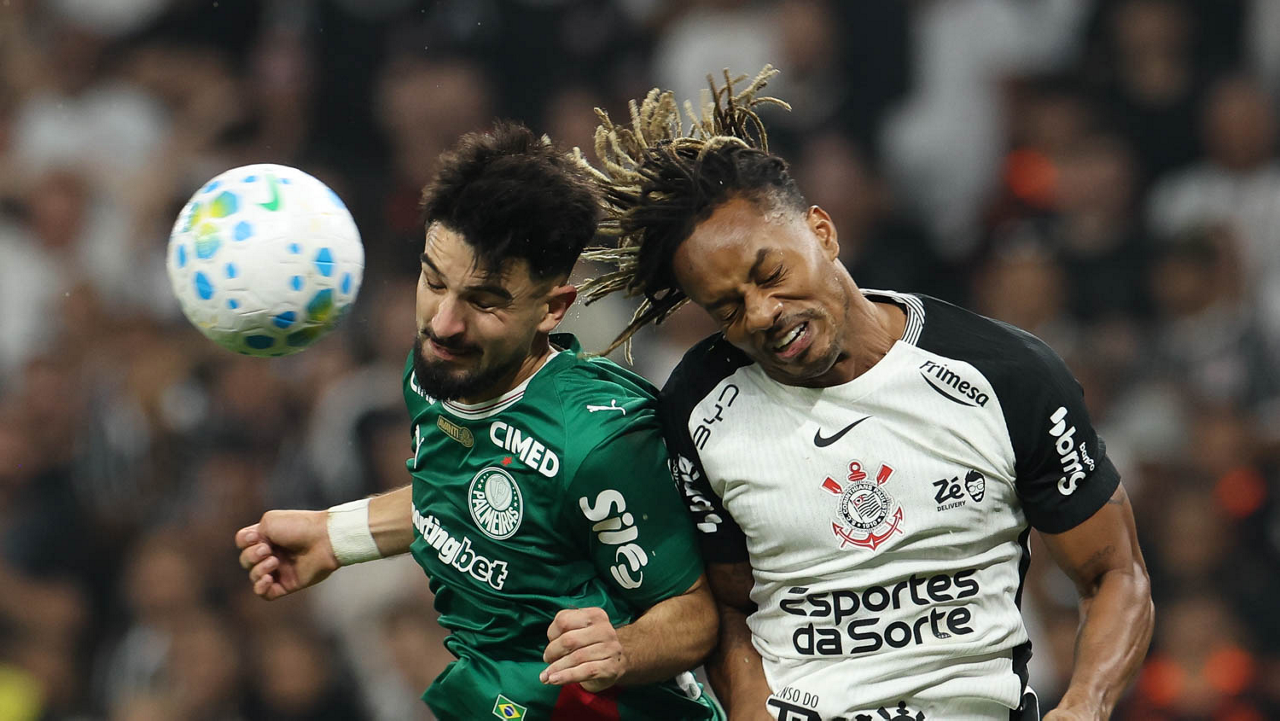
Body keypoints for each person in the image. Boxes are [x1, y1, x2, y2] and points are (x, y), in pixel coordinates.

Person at [580, 68, 1154, 721]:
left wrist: (1086, 700)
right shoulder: (700, 404)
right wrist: (748, 704)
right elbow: (734, 604)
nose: (763, 312)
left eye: (772, 273)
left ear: (822, 231)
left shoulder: (1007, 374)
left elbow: (1116, 574)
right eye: (729, 308)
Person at [235, 122, 723, 720]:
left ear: (552, 308)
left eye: (484, 302)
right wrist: (335, 537)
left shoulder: (597, 442)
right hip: (496, 700)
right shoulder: (435, 370)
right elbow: (463, 496)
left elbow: (694, 614)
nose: (443, 323)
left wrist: (621, 648)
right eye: (433, 281)